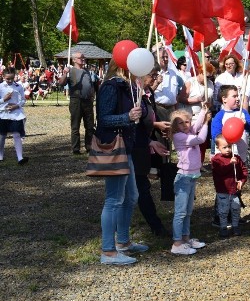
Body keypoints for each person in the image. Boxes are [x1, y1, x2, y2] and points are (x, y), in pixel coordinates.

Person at [96, 59, 146, 266]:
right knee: (114, 199)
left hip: (126, 148)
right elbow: (104, 118)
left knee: (130, 196)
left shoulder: (127, 87)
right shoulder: (111, 86)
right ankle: (108, 251)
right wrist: (127, 116)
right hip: (114, 148)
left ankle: (123, 242)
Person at [131, 65, 169, 237]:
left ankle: (156, 223)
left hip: (145, 144)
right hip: (133, 148)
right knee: (140, 188)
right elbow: (133, 125)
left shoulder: (148, 94)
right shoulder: (133, 96)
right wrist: (150, 137)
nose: (155, 78)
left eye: (156, 75)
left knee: (141, 187)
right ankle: (155, 226)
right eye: (152, 75)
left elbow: (148, 117)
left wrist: (157, 129)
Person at [169, 107, 210, 255]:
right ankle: (177, 242)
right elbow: (200, 138)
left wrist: (203, 112)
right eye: (180, 123)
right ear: (175, 126)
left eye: (187, 121)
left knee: (188, 211)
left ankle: (185, 238)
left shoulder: (188, 131)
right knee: (180, 212)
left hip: (192, 177)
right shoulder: (180, 137)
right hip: (183, 177)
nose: (185, 125)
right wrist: (206, 123)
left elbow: (195, 126)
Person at [56, 52, 95, 155]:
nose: (83, 59)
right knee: (75, 126)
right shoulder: (70, 71)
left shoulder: (87, 71)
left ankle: (89, 146)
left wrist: (92, 95)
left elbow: (91, 85)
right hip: (76, 101)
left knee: (90, 125)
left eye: (83, 57)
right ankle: (76, 148)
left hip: (88, 101)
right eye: (80, 58)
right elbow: (61, 83)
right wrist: (64, 73)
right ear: (74, 60)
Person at [211, 134, 248, 237]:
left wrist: (242, 181)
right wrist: (230, 165)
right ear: (218, 148)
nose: (227, 149)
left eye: (229, 146)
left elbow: (244, 171)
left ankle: (235, 226)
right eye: (224, 147)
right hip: (223, 190)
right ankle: (223, 227)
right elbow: (220, 171)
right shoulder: (216, 160)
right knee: (223, 210)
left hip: (234, 190)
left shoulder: (237, 158)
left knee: (236, 208)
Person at [210, 85, 250, 162]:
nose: (237, 99)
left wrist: (246, 124)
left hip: (241, 155)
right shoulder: (220, 116)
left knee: (241, 173)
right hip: (225, 157)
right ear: (224, 99)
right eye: (234, 96)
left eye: (237, 96)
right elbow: (216, 136)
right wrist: (229, 141)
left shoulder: (242, 112)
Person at [0, 66, 28, 164]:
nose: (10, 80)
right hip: (3, 114)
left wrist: (17, 106)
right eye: (8, 78)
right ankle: (0, 156)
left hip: (16, 114)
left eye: (12, 78)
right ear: (3, 76)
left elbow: (23, 99)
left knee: (17, 134)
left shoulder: (18, 86)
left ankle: (20, 158)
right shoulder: (0, 87)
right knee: (2, 136)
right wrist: (4, 100)